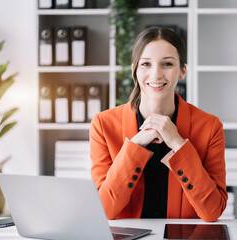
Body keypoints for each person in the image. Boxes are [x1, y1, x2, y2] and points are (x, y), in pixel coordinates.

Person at [90, 27, 227, 222]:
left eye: (167, 64)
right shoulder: (103, 125)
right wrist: (135, 146)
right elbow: (103, 210)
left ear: (182, 71)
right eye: (146, 64)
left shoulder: (210, 127)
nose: (156, 74)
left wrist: (179, 144)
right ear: (134, 70)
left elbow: (212, 211)